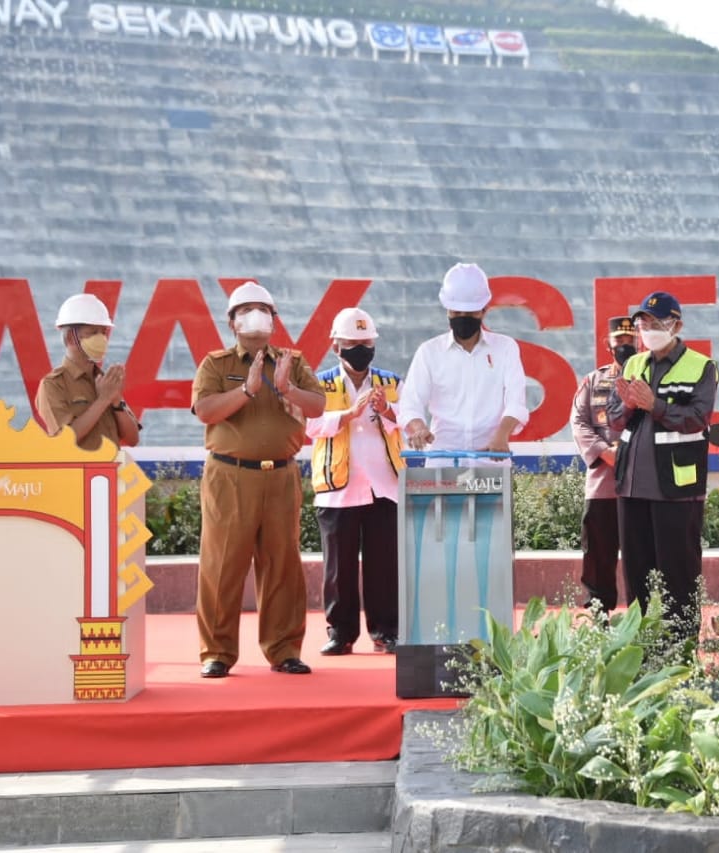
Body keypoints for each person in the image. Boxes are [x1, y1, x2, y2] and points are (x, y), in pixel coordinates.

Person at [191, 281, 326, 678]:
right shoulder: (216, 364)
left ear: (274, 319)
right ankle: (216, 651)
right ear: (232, 322)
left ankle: (284, 649)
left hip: (281, 476)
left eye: (264, 310)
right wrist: (247, 392)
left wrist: (287, 387)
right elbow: (205, 410)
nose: (256, 317)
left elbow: (317, 406)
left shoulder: (292, 361)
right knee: (222, 565)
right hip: (231, 477)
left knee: (282, 564)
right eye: (246, 310)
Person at [605, 292, 718, 638]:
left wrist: (655, 405)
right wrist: (626, 406)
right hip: (631, 486)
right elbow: (613, 420)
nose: (648, 329)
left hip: (676, 490)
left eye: (657, 323)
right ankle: (641, 648)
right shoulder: (633, 364)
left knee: (679, 573)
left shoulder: (701, 366)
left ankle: (682, 649)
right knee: (637, 574)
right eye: (644, 323)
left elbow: (697, 419)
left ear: (677, 325)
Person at [307, 307, 404, 656]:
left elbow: (412, 422)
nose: (360, 350)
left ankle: (386, 631)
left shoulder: (391, 383)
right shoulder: (319, 384)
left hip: (384, 486)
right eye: (353, 344)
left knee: (384, 565)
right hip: (339, 487)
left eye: (366, 344)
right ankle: (340, 633)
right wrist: (347, 415)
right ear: (337, 347)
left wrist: (388, 411)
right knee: (339, 568)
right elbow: (308, 425)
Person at [398, 263, 529, 458]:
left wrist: (501, 436)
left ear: (484, 311)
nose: (462, 318)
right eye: (456, 312)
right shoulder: (429, 352)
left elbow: (516, 402)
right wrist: (419, 428)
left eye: (470, 313)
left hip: (490, 459)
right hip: (442, 460)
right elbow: (410, 403)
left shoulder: (505, 348)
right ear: (447, 311)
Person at [569, 315, 638, 611]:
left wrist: (627, 451)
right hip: (602, 486)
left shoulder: (651, 378)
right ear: (608, 344)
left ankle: (643, 618)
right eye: (619, 341)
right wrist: (604, 451)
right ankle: (598, 617)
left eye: (629, 340)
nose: (624, 346)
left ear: (639, 341)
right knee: (597, 556)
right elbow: (579, 422)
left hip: (641, 484)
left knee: (642, 557)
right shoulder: (594, 380)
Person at [35, 293, 141, 450]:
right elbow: (64, 440)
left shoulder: (104, 380)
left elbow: (133, 439)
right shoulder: (53, 384)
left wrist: (116, 402)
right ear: (71, 337)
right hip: (78, 474)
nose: (101, 338)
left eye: (103, 332)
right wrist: (103, 400)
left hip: (112, 472)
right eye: (93, 332)